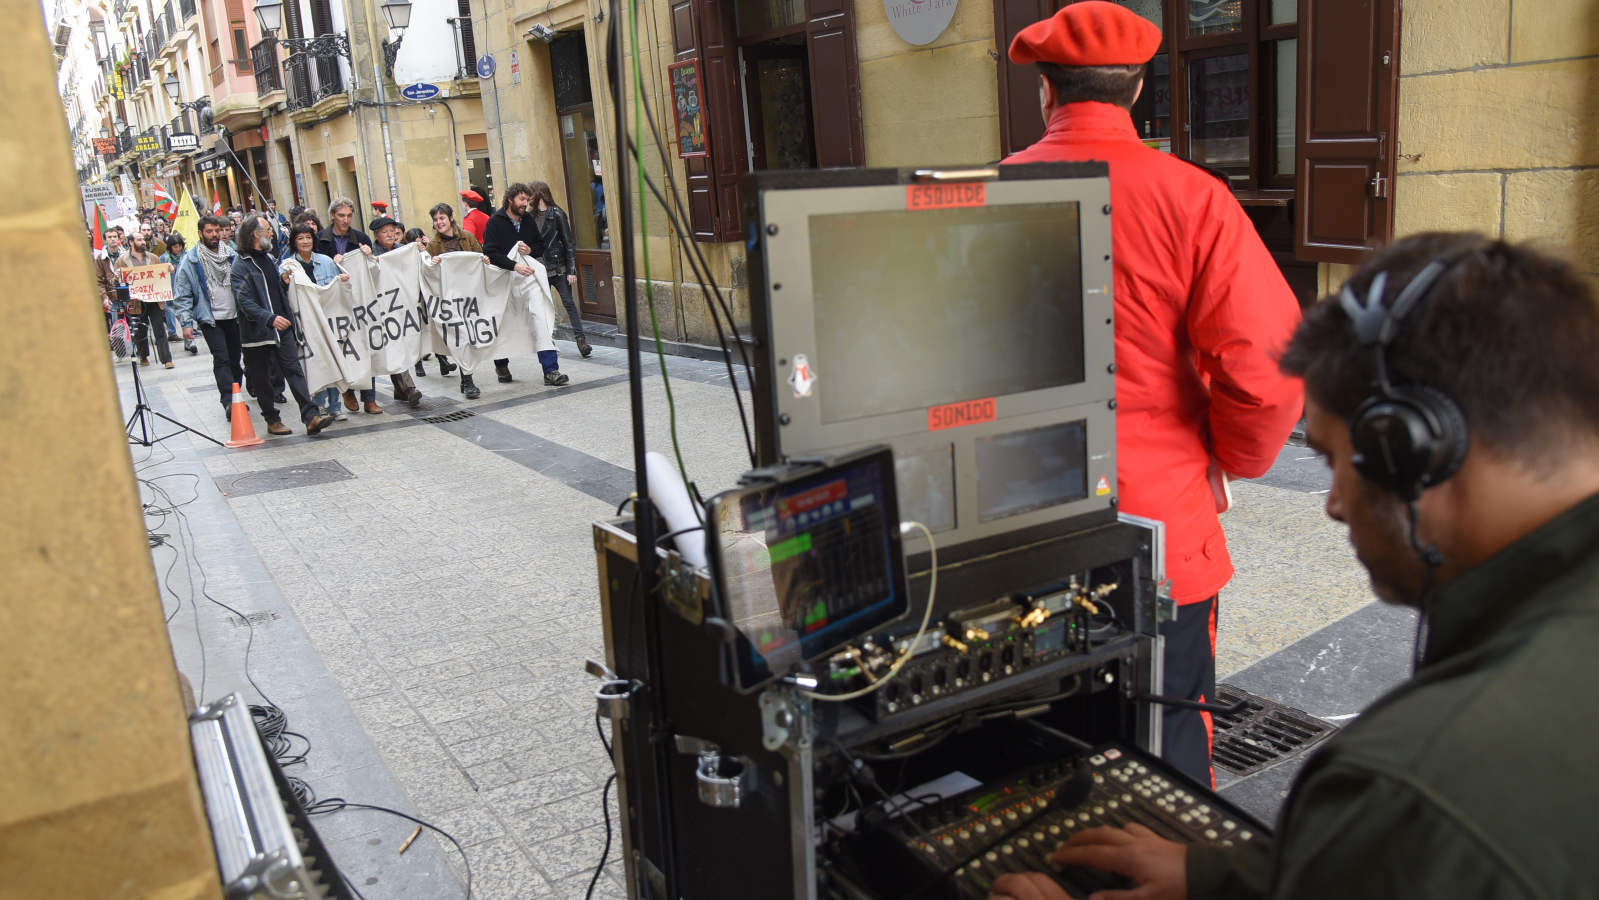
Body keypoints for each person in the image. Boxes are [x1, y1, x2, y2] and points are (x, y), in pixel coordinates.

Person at [991, 233, 1599, 900]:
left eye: (1334, 460)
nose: (1333, 504)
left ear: (1414, 451)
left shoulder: (1413, 791)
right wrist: (1220, 874)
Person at [1000, 0, 1301, 785]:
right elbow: (1266, 372)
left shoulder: (986, 193)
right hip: (1158, 523)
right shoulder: (1193, 196)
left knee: (1016, 738)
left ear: (1045, 90)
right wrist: (1227, 458)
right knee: (1161, 746)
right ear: (1137, 89)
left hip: (1008, 515)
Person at [230, 214, 334, 436]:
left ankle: (311, 417)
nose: (272, 234)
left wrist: (283, 283)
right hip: (258, 333)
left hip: (283, 328)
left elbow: (273, 291)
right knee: (262, 379)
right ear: (255, 234)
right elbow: (243, 300)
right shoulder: (241, 265)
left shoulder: (269, 259)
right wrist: (269, 318)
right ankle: (272, 419)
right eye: (268, 230)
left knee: (294, 370)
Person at [482, 182, 566, 386]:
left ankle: (551, 370)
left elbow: (540, 245)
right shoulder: (495, 222)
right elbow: (490, 253)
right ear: (510, 199)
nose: (525, 204)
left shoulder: (528, 220)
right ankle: (501, 364)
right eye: (521, 199)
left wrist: (530, 250)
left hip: (528, 278)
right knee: (503, 322)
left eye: (527, 200)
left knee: (540, 317)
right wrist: (513, 266)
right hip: (504, 279)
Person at [279, 222, 358, 421]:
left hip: (328, 319)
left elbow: (335, 288)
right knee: (316, 362)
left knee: (332, 359)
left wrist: (342, 281)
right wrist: (285, 281)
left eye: (308, 237)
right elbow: (283, 292)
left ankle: (335, 407)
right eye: (300, 238)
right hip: (307, 323)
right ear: (294, 242)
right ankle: (319, 404)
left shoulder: (326, 261)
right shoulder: (287, 265)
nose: (305, 241)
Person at [173, 216, 247, 420]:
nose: (214, 235)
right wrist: (186, 323)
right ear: (200, 234)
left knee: (235, 359)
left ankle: (237, 395)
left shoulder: (232, 255)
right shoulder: (191, 260)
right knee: (221, 358)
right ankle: (229, 401)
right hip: (210, 319)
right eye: (209, 231)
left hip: (235, 317)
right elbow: (183, 294)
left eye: (217, 230)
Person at [423, 201, 486, 393]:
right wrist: (432, 264)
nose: (439, 222)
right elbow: (426, 271)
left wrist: (484, 260)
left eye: (442, 218)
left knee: (471, 336)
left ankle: (467, 379)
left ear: (450, 218)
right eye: (435, 219)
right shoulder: (433, 245)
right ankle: (467, 380)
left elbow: (480, 257)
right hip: (450, 299)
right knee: (460, 338)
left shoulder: (467, 237)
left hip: (471, 295)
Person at [529, 181, 591, 358]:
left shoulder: (557, 214)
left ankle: (581, 340)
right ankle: (547, 341)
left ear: (539, 193)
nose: (528, 197)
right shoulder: (530, 217)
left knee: (569, 303)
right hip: (539, 270)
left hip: (559, 268)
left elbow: (568, 243)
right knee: (541, 307)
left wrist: (571, 270)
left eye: (531, 193)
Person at [367, 215, 424, 407]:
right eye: (385, 232)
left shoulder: (403, 250)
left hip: (403, 305)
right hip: (384, 308)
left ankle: (400, 390)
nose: (390, 235)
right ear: (376, 235)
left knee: (401, 345)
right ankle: (409, 388)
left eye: (392, 231)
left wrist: (421, 251)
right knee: (393, 346)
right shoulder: (371, 254)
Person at [116, 231, 174, 369]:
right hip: (136, 301)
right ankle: (143, 355)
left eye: (143, 239)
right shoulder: (122, 260)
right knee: (140, 330)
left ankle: (166, 359)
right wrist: (117, 276)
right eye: (139, 239)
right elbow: (117, 281)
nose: (143, 242)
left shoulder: (153, 257)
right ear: (131, 242)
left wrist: (169, 269)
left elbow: (161, 273)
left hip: (154, 299)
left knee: (159, 328)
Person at [160, 232, 198, 356]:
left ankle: (190, 341)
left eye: (180, 246)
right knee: (172, 315)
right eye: (175, 246)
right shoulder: (163, 259)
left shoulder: (187, 256)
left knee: (186, 317)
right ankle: (173, 333)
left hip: (185, 291)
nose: (178, 249)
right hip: (170, 292)